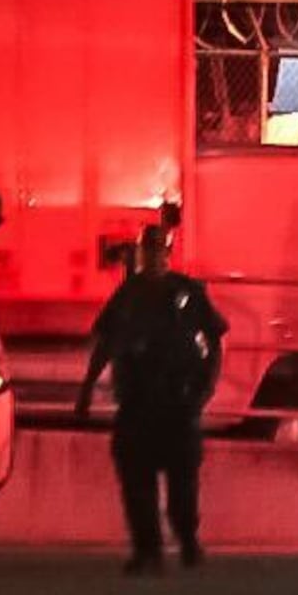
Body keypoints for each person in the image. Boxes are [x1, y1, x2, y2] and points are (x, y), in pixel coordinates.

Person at [74, 225, 227, 573]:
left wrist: (206, 386)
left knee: (182, 481)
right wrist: (87, 387)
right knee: (136, 480)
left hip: (178, 400)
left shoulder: (187, 292)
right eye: (150, 251)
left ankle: (187, 540)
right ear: (142, 254)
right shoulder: (128, 294)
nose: (155, 257)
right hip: (138, 401)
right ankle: (149, 550)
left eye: (160, 251)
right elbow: (107, 342)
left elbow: (214, 339)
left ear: (168, 254)